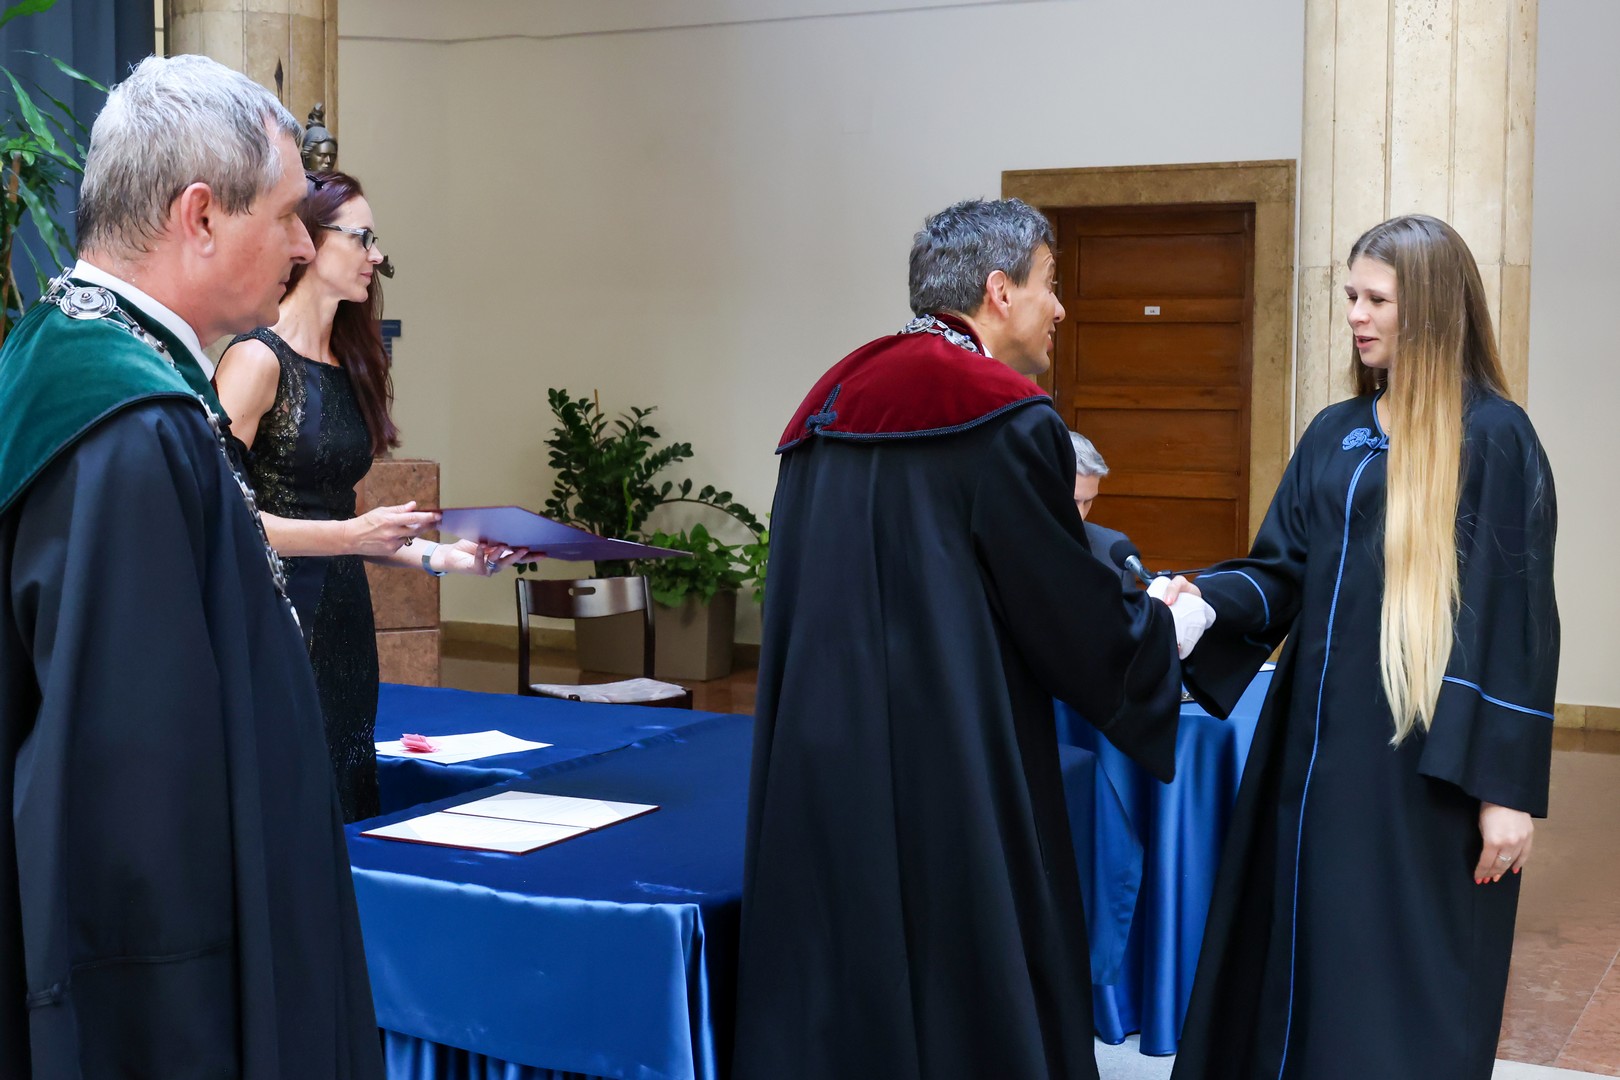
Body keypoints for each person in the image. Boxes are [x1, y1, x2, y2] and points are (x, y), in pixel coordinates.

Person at [734, 198, 1210, 1080]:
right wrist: (1163, 627)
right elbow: (1064, 614)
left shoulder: (829, 403)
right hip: (955, 767)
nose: (1059, 308)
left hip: (823, 756)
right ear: (999, 291)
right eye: (1050, 284)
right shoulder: (1006, 417)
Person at [0, 55, 381, 1076]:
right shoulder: (128, 427)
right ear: (200, 216)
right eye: (289, 216)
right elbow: (133, 810)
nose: (302, 246)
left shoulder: (74, 354)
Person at [1164, 214, 1558, 1080]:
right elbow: (1280, 572)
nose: (1356, 314)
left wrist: (1505, 791)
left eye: (1377, 299)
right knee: (1308, 955)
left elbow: (1517, 616)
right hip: (1313, 757)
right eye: (1351, 296)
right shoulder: (1332, 431)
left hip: (1427, 769)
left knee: (1401, 978)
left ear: (1432, 308)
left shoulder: (1494, 435)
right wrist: (1201, 606)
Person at [215, 170, 522, 823]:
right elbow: (218, 517)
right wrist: (350, 536)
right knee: (291, 796)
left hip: (345, 615)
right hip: (275, 617)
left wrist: (447, 559)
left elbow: (343, 518)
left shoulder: (347, 362)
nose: (376, 256)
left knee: (345, 788)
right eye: (362, 238)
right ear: (310, 241)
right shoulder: (255, 361)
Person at [1069, 429, 1134, 588]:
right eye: (1072, 502)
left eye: (1088, 501)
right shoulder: (1010, 545)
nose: (1080, 514)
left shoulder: (1112, 549)